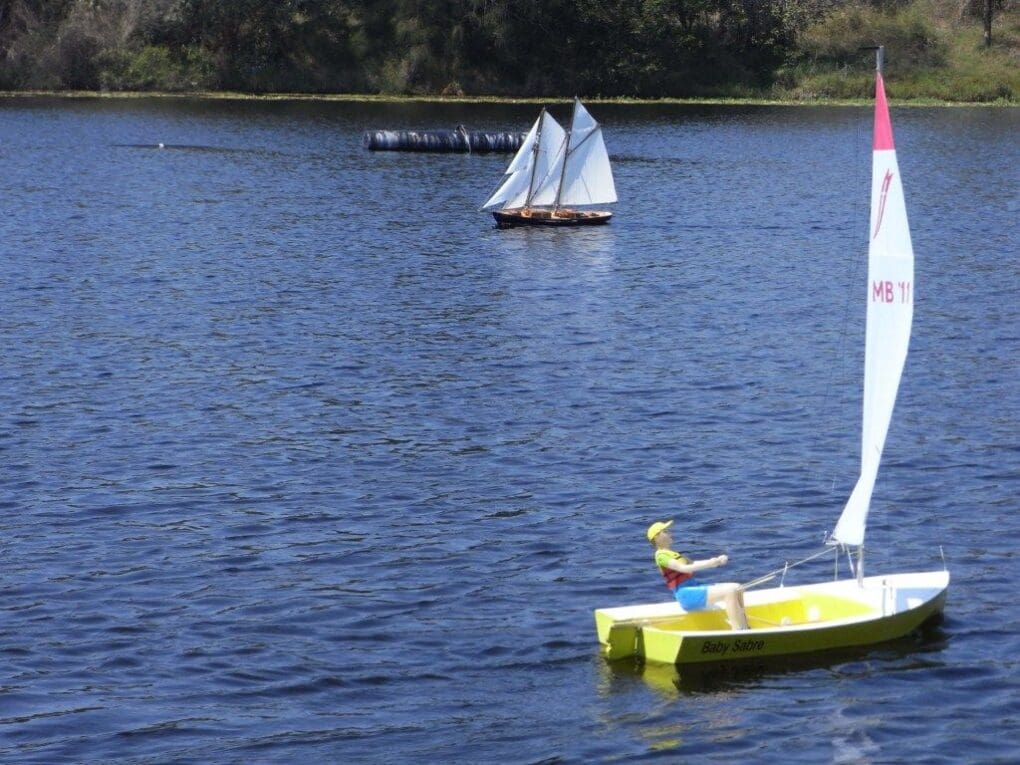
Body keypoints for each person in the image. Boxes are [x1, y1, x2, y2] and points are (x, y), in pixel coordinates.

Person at [647, 520, 748, 631]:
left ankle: (745, 626)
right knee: (730, 592)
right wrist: (710, 564)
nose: (670, 533)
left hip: (693, 587)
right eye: (665, 531)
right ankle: (737, 630)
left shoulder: (672, 553)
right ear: (656, 538)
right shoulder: (661, 556)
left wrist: (716, 561)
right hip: (686, 595)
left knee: (737, 588)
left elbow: (693, 563)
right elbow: (683, 568)